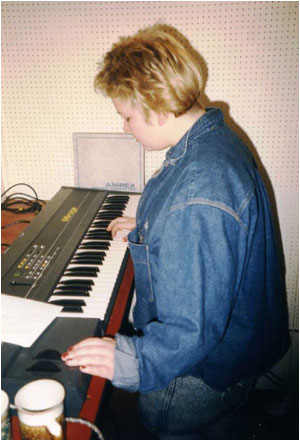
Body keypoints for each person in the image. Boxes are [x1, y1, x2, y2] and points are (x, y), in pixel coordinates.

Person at [62, 25, 289, 439]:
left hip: (192, 378)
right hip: (237, 351)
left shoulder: (197, 194)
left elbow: (191, 330)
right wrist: (154, 224)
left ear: (157, 110)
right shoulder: (213, 141)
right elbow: (204, 234)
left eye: (127, 117)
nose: (126, 128)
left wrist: (130, 360)